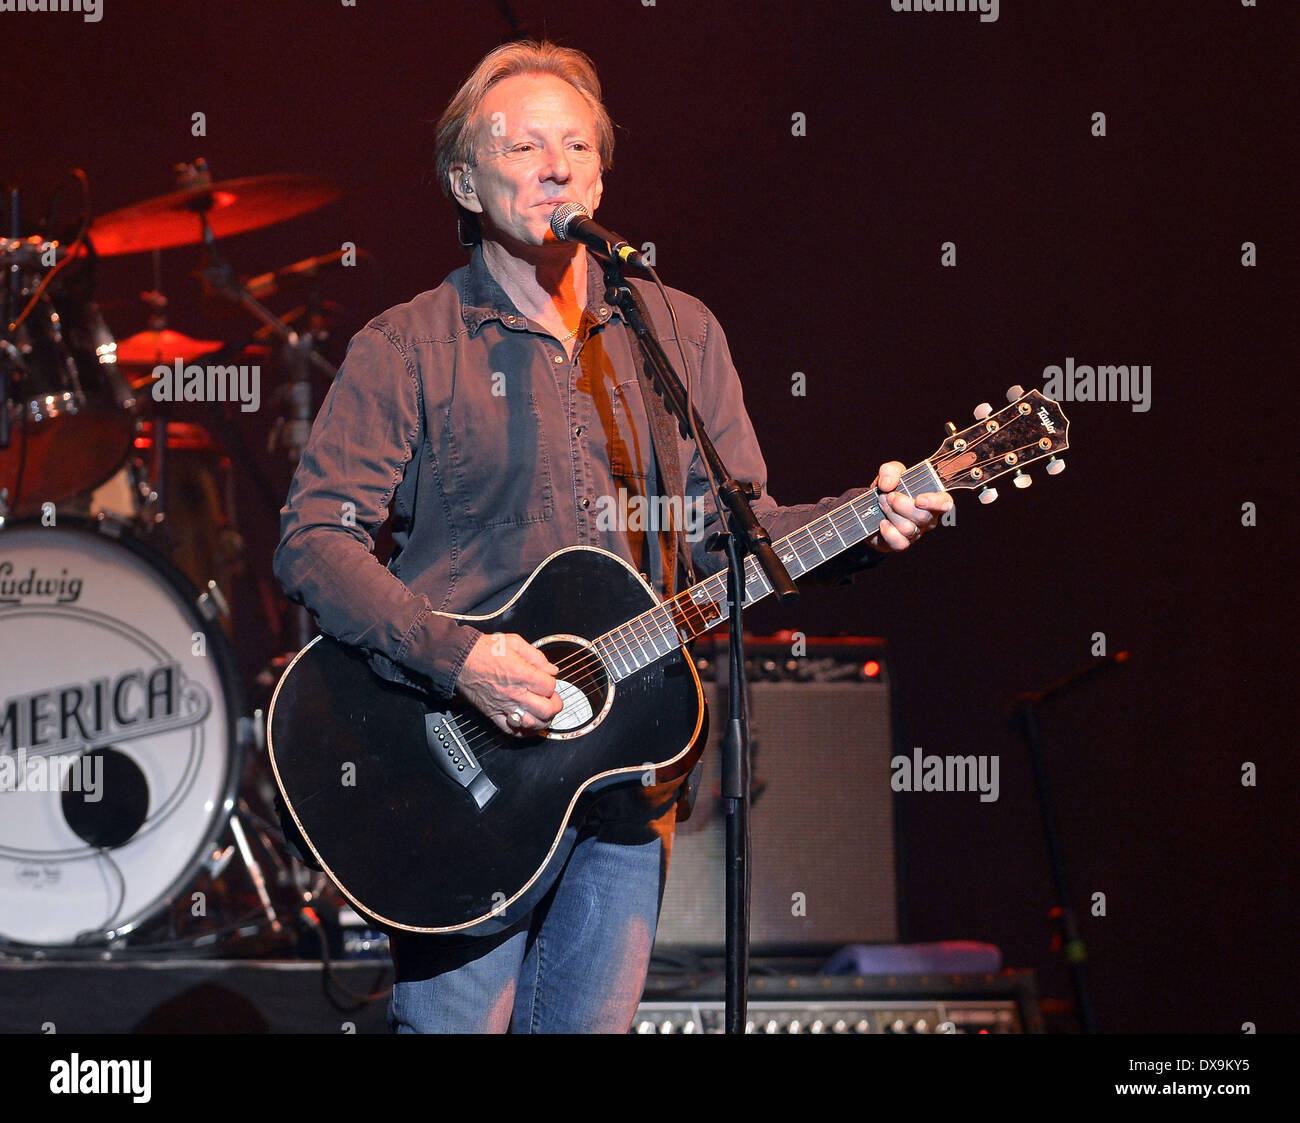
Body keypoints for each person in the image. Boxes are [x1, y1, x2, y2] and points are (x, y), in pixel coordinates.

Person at [272, 39, 951, 1034]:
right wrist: (461, 658)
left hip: (625, 772)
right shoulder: (406, 345)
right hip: (453, 772)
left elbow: (734, 538)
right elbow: (313, 543)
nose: (554, 166)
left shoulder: (679, 336)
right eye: (523, 147)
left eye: (577, 147)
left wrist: (869, 520)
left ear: (599, 175)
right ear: (464, 181)